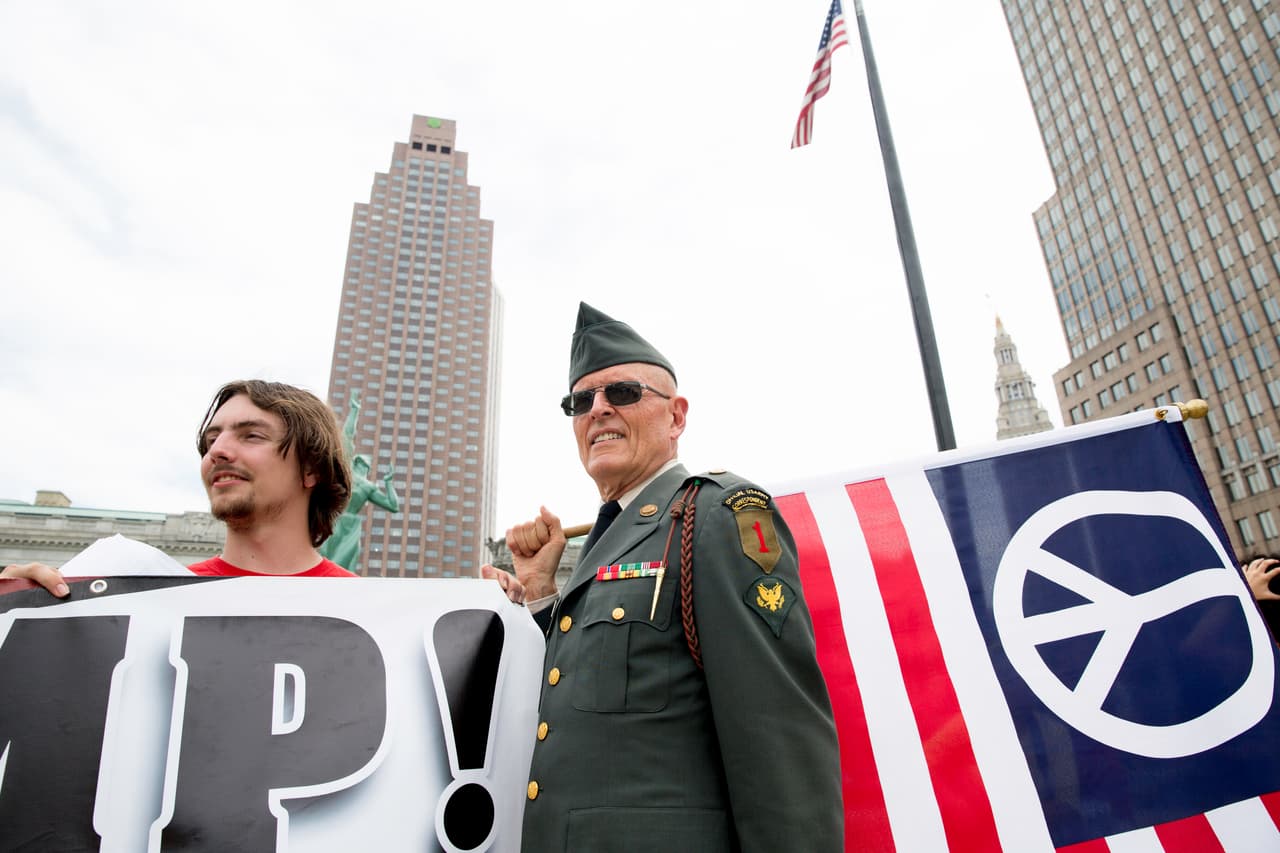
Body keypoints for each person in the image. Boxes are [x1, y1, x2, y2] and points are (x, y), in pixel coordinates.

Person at [497, 303, 843, 852]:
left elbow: (778, 741)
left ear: (677, 417)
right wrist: (541, 592)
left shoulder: (718, 515)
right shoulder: (601, 549)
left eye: (623, 393)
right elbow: (573, 707)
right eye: (581, 401)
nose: (599, 410)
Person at [5, 380, 359, 586]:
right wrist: (19, 607)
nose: (217, 452)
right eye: (211, 441)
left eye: (251, 436)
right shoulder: (146, 597)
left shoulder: (372, 611)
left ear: (311, 470)